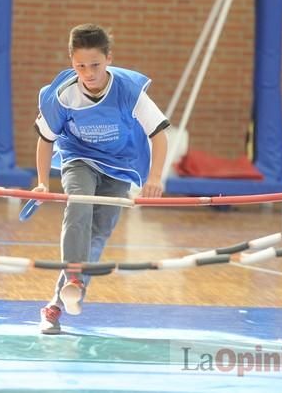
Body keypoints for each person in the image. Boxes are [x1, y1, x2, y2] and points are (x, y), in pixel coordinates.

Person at [35, 23, 169, 334]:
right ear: (72, 62)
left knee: (99, 231)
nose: (89, 73)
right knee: (78, 206)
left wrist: (156, 177)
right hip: (79, 158)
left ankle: (58, 301)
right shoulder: (62, 94)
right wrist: (42, 182)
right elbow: (45, 139)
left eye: (95, 65)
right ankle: (73, 277)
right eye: (81, 65)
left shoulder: (128, 90)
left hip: (120, 165)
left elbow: (159, 135)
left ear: (109, 59)